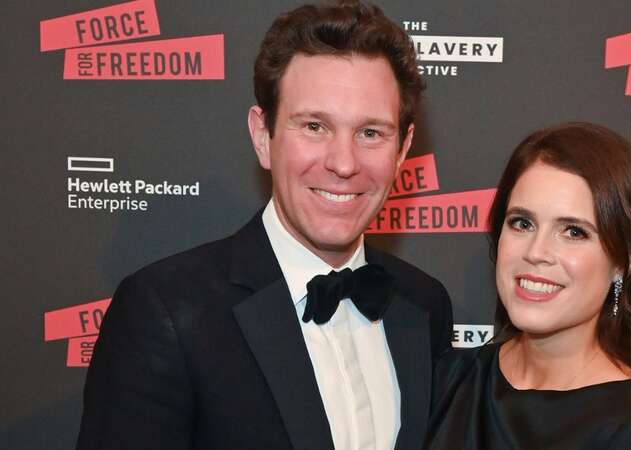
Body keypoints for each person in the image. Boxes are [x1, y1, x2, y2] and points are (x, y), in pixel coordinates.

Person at [76, 2, 452, 450]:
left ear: (403, 148)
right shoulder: (168, 313)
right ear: (262, 136)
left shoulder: (423, 305)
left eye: (371, 133)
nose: (344, 163)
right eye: (314, 126)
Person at [425, 123, 631, 449]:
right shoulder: (448, 382)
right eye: (522, 223)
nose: (536, 252)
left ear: (624, 262)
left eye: (573, 232)